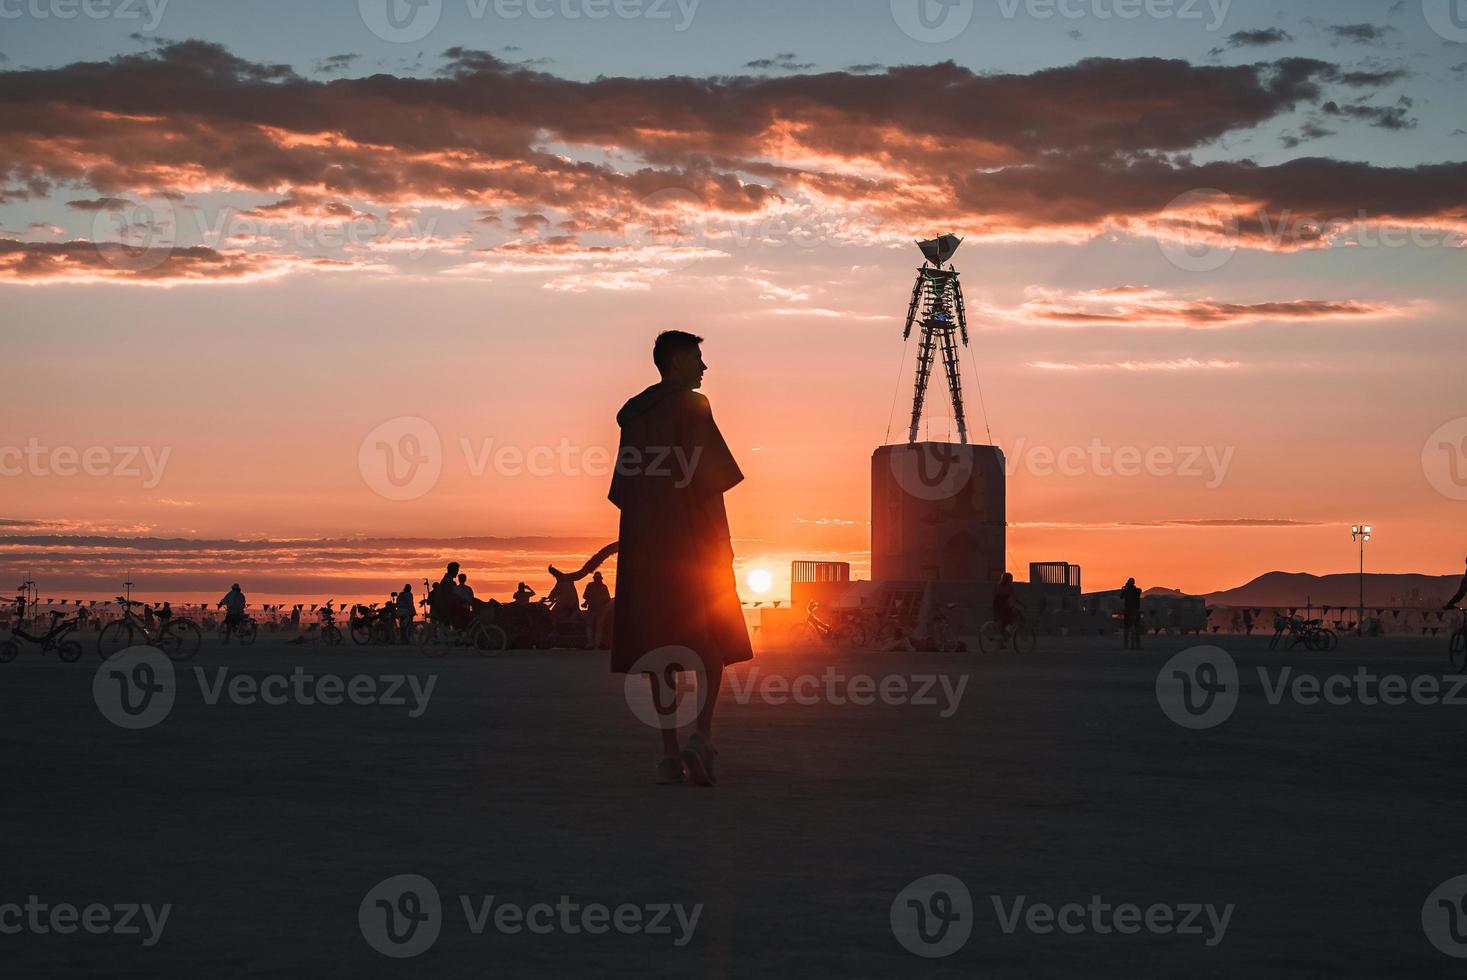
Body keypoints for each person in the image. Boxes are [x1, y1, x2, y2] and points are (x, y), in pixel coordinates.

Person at [610, 329, 752, 787]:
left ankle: (669, 754)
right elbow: (718, 477)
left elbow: (622, 492)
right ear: (675, 362)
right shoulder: (693, 406)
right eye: (697, 358)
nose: (704, 367)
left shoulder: (634, 417)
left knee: (661, 652)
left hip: (646, 551)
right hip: (694, 547)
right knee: (713, 643)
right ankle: (702, 736)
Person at [582, 571, 612, 649]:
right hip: (601, 610)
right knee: (598, 628)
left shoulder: (590, 586)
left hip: (592, 609)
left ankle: (591, 643)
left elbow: (585, 596)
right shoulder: (604, 587)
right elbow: (607, 599)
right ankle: (596, 645)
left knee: (590, 626)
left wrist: (588, 601)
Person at [992, 572, 1022, 644]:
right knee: (1012, 619)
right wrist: (1022, 604)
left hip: (996, 605)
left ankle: (1002, 641)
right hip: (1004, 606)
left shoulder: (998, 585)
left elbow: (996, 596)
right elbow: (1015, 597)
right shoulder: (1009, 587)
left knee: (1003, 622)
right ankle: (1006, 634)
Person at [1121, 577, 1143, 650]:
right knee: (1136, 628)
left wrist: (1125, 588)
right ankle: (1137, 645)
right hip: (1136, 610)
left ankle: (1126, 645)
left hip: (1128, 610)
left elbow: (1121, 596)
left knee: (1127, 628)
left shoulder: (1126, 590)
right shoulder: (1138, 590)